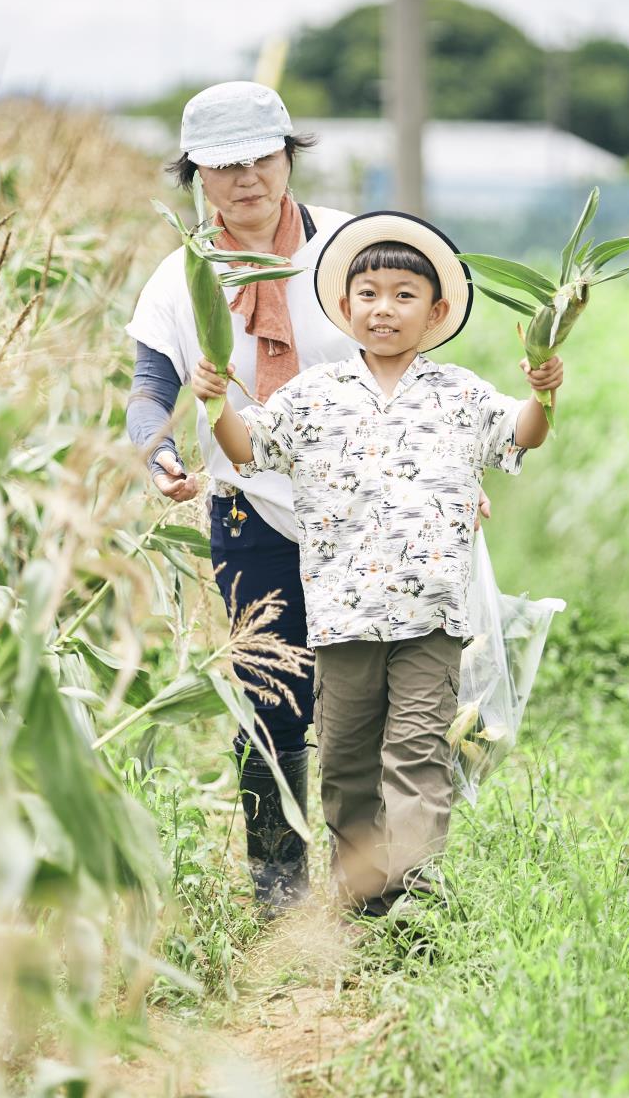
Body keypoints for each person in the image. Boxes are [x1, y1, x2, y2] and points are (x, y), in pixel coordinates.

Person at [125, 81, 489, 912]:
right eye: (223, 167)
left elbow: (423, 368)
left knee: (387, 705)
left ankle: (381, 892)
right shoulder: (180, 280)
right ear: (196, 178)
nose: (246, 180)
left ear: (288, 155)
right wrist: (159, 454)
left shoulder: (352, 249)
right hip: (254, 509)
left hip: (376, 518)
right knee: (273, 689)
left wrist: (452, 481)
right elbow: (150, 389)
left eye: (261, 158)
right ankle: (277, 888)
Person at [189, 211, 563, 915]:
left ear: (436, 311)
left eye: (402, 295)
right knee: (350, 763)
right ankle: (362, 896)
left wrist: (543, 390)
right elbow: (249, 450)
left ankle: (414, 893)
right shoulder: (309, 397)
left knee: (419, 756)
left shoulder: (461, 394)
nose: (383, 309)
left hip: (432, 616)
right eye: (368, 294)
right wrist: (213, 404)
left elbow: (521, 433)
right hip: (341, 616)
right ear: (344, 306)